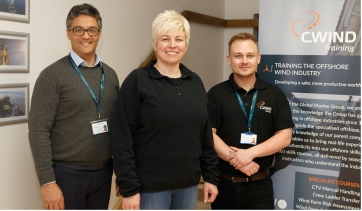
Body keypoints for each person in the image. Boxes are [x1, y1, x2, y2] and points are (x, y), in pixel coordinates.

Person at [113, 10, 219, 210]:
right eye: (165, 39)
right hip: (150, 189)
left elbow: (205, 136)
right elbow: (122, 138)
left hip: (188, 186)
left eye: (179, 39)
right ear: (154, 44)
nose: (172, 45)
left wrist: (211, 177)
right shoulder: (137, 81)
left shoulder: (195, 82)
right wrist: (129, 188)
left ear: (186, 45)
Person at [28, 3, 119, 210]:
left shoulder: (111, 75)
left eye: (92, 30)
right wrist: (47, 182)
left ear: (99, 33)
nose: (86, 36)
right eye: (78, 29)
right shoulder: (52, 76)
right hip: (67, 175)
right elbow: (38, 130)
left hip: (104, 172)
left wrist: (122, 173)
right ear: (68, 33)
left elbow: (119, 127)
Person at [207, 32, 294, 209]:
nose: (244, 61)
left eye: (250, 55)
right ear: (229, 59)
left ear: (258, 58)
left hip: (260, 187)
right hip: (224, 185)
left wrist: (250, 153)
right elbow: (208, 134)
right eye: (238, 56)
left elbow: (285, 136)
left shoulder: (275, 94)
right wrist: (236, 159)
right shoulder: (215, 94)